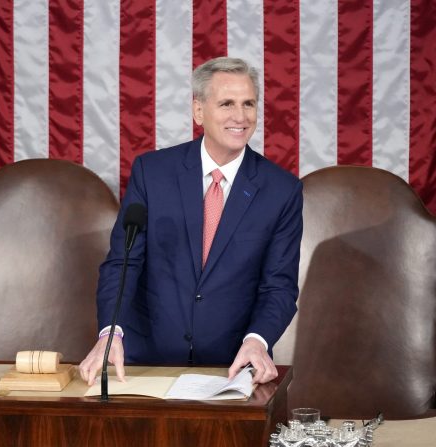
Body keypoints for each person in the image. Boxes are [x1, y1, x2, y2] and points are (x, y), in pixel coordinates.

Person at [78, 56, 302, 386]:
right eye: (227, 103)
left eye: (248, 104)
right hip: (145, 363)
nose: (240, 117)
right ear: (198, 111)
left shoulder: (281, 190)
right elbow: (123, 263)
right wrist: (110, 333)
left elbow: (279, 285)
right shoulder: (152, 173)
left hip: (230, 368)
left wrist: (258, 340)